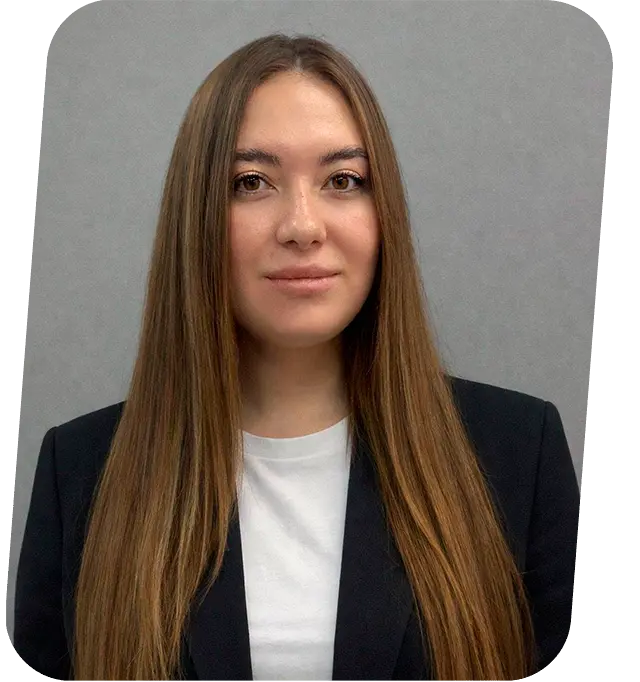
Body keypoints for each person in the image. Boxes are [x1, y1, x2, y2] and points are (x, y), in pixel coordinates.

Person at [13, 33, 581, 682]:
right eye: (252, 183)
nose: (303, 226)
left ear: (383, 213)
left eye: (343, 180)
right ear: (196, 217)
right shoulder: (81, 473)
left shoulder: (517, 454)